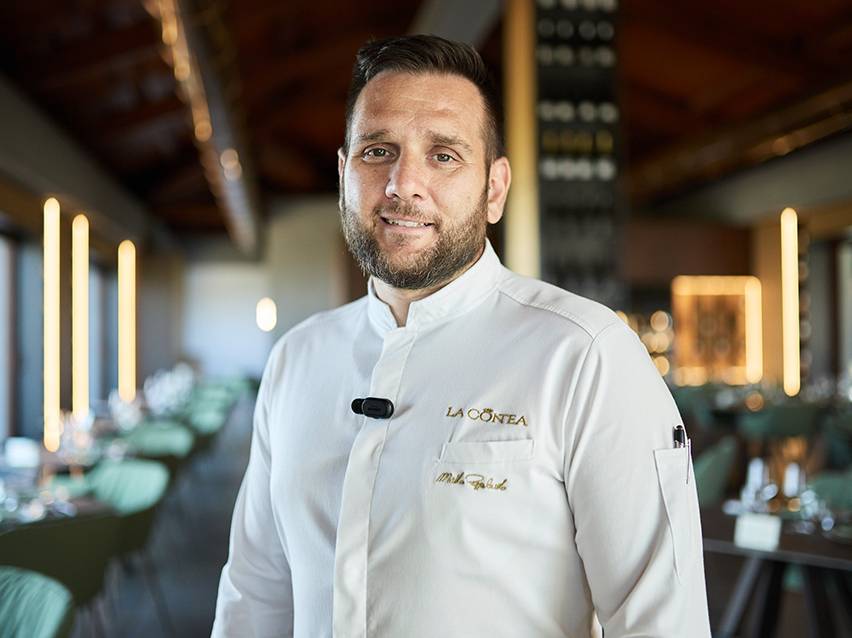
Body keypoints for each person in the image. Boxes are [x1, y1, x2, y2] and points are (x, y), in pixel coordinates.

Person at [212, 35, 711, 638]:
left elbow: (661, 621)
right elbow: (255, 596)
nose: (403, 184)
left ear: (494, 189)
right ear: (345, 173)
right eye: (378, 151)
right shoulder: (296, 358)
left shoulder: (586, 356)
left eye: (444, 155)